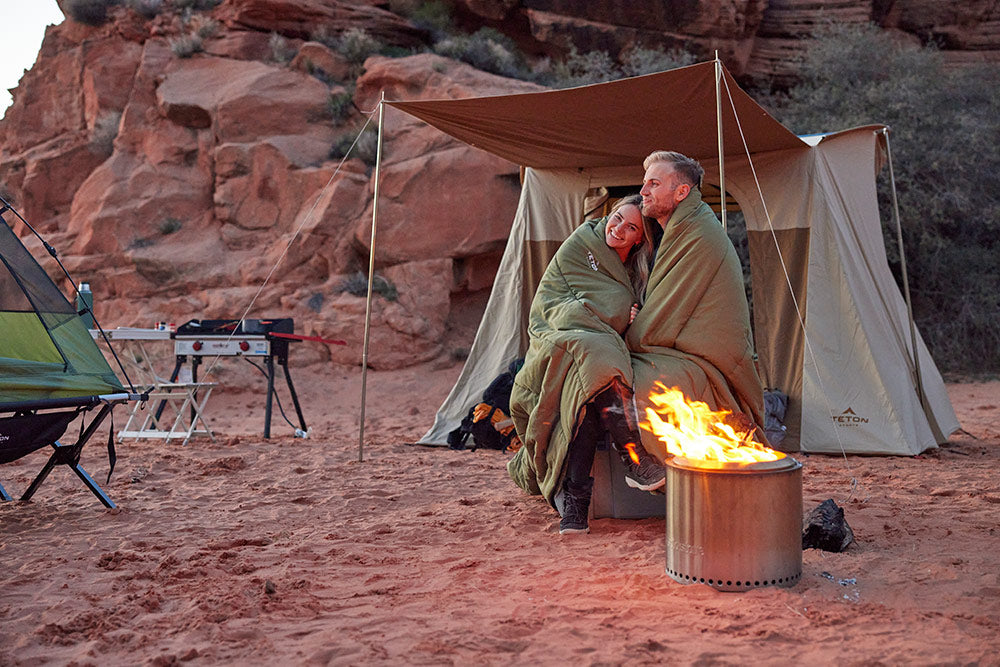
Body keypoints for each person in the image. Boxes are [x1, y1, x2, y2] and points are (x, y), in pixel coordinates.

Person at [508, 195, 666, 535]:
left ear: (640, 238)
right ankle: (634, 458)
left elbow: (632, 314)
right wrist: (618, 313)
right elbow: (557, 301)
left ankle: (576, 508)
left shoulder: (635, 272)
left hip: (598, 351)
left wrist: (628, 315)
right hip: (558, 334)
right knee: (595, 359)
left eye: (631, 227)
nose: (619, 229)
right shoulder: (582, 243)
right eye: (618, 218)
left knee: (590, 399)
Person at [627, 151, 766, 463]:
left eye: (653, 184)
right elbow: (662, 307)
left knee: (633, 379)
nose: (644, 191)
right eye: (644, 183)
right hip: (683, 350)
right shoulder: (681, 228)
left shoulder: (699, 234)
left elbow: (661, 320)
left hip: (711, 361)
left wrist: (630, 334)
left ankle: (652, 469)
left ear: (681, 192)